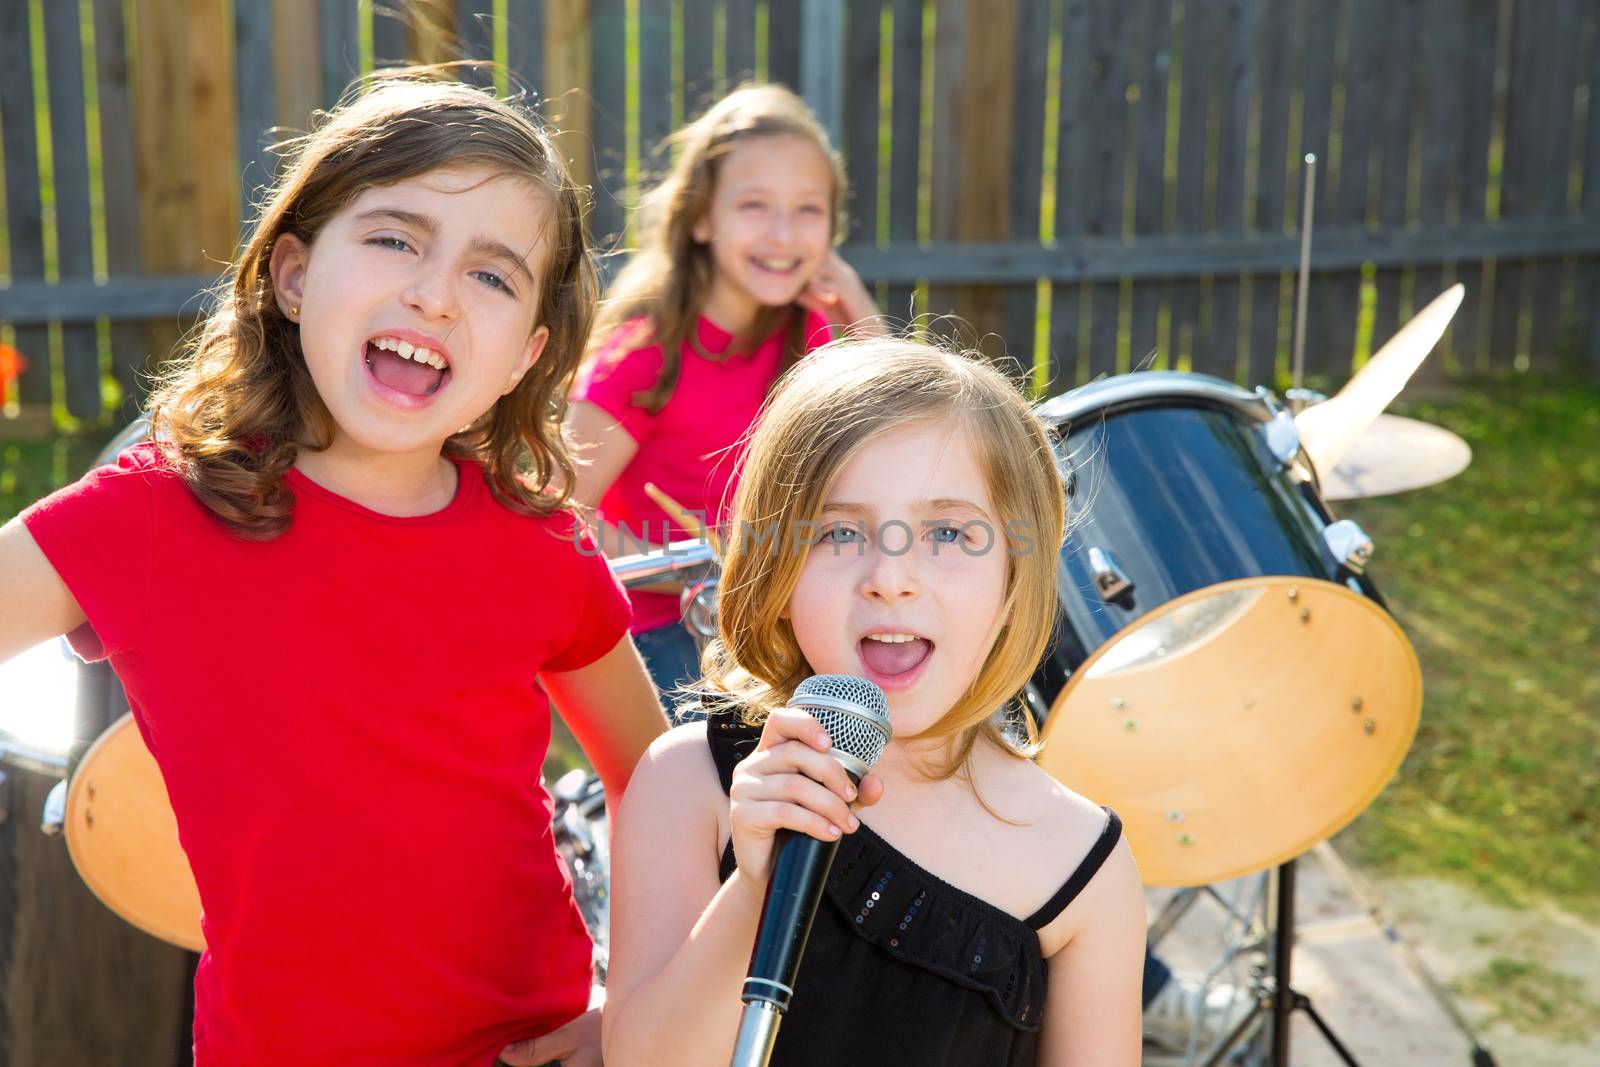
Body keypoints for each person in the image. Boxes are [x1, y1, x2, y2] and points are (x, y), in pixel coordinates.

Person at [0, 73, 668, 1067]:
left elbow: (660, 784)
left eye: (492, 274)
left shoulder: (541, 547)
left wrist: (635, 1009)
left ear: (525, 356)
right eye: (396, 238)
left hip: (523, 1045)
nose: (435, 293)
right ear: (294, 275)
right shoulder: (147, 516)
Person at [601, 338, 1147, 1065]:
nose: (891, 577)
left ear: (1019, 576)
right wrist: (757, 886)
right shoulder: (688, 783)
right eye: (839, 531)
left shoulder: (1084, 863)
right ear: (777, 573)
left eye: (948, 532)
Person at [567, 83, 885, 698]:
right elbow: (561, 513)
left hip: (788, 622)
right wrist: (697, 568)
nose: (783, 234)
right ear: (704, 217)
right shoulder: (644, 358)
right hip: (672, 633)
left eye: (808, 210)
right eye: (755, 206)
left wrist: (863, 316)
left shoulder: (816, 334)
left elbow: (908, 443)